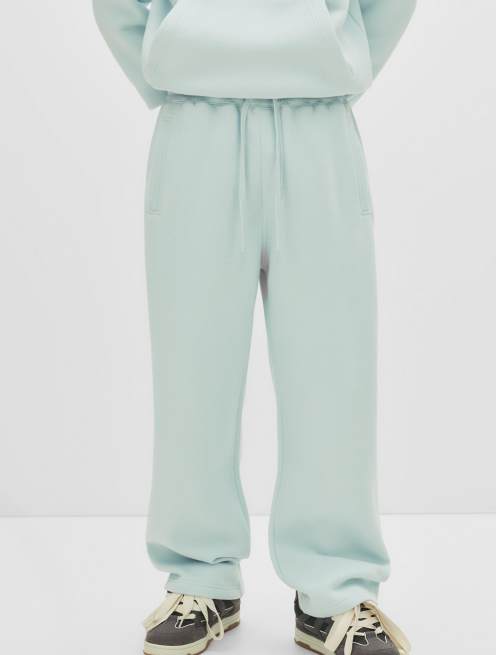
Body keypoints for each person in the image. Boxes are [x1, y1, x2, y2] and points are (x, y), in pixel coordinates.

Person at [93, 1, 417, 654]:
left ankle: (334, 589)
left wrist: (334, 61)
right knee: (192, 367)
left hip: (317, 124)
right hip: (197, 121)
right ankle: (201, 576)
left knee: (332, 370)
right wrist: (172, 62)